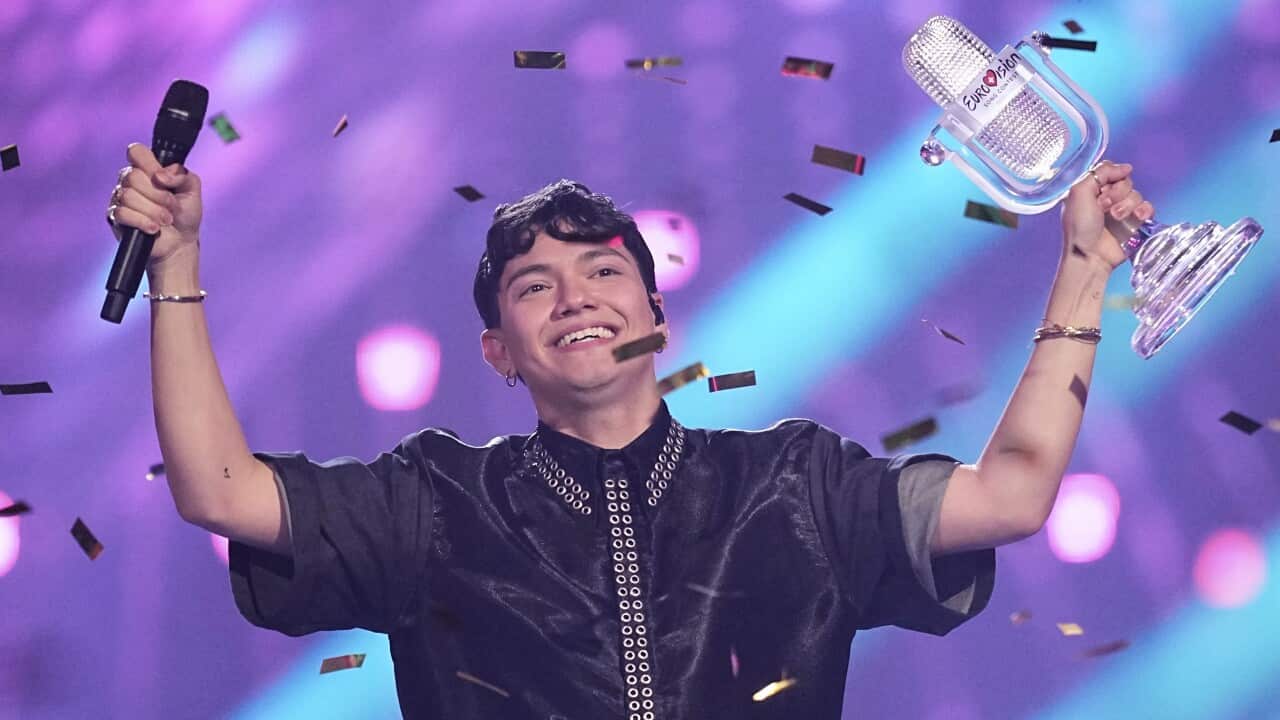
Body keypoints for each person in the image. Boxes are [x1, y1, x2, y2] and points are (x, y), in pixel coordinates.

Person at [106, 142, 1153, 719]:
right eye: (533, 286)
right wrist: (176, 267)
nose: (576, 299)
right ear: (497, 353)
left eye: (604, 271)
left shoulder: (792, 480)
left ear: (655, 318)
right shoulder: (430, 501)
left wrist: (1084, 267)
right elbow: (217, 489)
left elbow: (1012, 493)